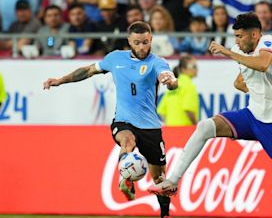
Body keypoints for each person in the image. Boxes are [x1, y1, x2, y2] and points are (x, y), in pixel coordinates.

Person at [148, 12, 272, 218]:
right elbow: (240, 80)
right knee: (205, 127)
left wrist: (227, 52)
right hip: (251, 116)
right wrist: (252, 89)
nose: (236, 41)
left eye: (240, 36)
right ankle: (172, 181)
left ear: (254, 34)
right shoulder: (240, 49)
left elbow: (261, 65)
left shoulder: (269, 42)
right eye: (234, 37)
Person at [43, 21, 178, 218]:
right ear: (129, 41)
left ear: (151, 40)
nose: (142, 47)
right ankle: (126, 178)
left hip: (150, 127)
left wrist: (171, 82)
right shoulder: (115, 58)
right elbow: (88, 70)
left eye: (146, 42)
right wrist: (60, 80)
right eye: (138, 42)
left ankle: (164, 214)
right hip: (123, 121)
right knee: (127, 140)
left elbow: (168, 77)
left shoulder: (157, 62)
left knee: (159, 178)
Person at [157, 55, 199, 126]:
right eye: (194, 67)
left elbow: (161, 111)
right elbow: (188, 109)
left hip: (171, 130)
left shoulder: (173, 84)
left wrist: (169, 124)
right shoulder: (189, 85)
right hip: (185, 129)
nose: (197, 69)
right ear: (184, 69)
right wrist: (195, 125)